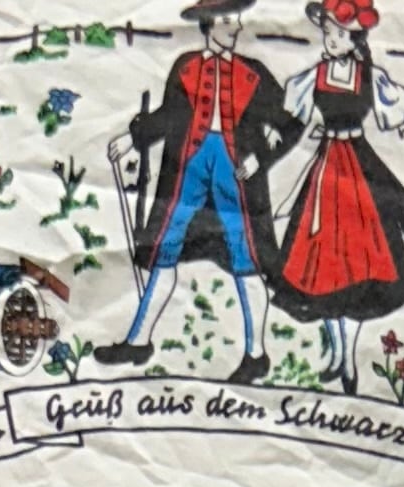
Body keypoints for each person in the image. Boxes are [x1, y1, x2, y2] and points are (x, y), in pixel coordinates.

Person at [95, 0, 302, 384]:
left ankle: (256, 355)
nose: (236, 27)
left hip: (235, 173)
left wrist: (260, 159)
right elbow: (168, 116)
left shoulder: (254, 74)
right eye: (226, 21)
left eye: (236, 20)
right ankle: (139, 341)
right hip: (187, 168)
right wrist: (133, 137)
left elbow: (291, 124)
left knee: (247, 258)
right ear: (207, 24)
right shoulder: (186, 66)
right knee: (163, 250)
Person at [269, 0, 404, 394]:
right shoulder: (314, 76)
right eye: (327, 32)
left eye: (338, 33)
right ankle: (336, 353)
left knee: (357, 266)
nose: (330, 39)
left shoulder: (371, 78)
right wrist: (269, 136)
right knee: (321, 269)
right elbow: (290, 118)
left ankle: (348, 357)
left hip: (359, 172)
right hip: (325, 174)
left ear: (355, 39)